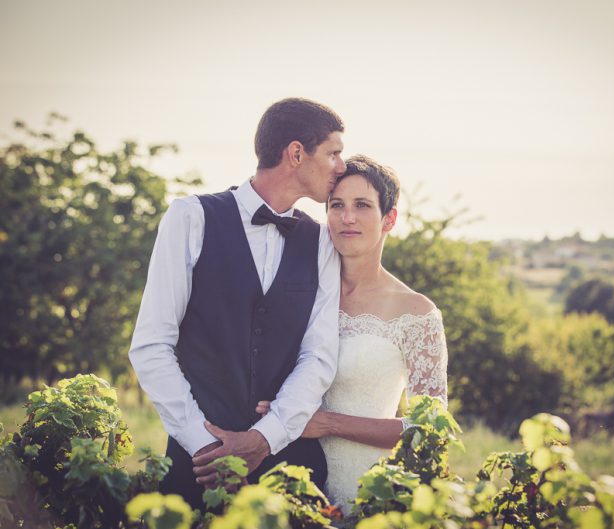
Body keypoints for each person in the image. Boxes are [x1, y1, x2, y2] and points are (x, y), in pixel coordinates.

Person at [128, 97, 345, 509]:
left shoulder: (321, 242)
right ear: (296, 153)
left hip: (290, 472)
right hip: (197, 468)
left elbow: (318, 355)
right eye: (333, 152)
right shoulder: (189, 218)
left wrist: (265, 438)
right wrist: (204, 445)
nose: (341, 166)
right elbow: (152, 345)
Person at [257, 155, 448, 514]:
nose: (347, 217)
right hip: (285, 485)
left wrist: (327, 423)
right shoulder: (302, 293)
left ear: (388, 218)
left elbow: (430, 429)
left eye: (362, 205)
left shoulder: (417, 312)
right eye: (337, 205)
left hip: (365, 491)